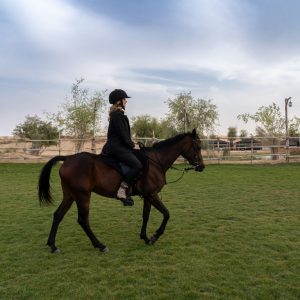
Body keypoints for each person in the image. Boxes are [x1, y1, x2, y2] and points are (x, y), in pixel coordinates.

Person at [101, 89, 143, 206]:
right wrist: (132, 145)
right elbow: (123, 136)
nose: (126, 102)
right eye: (124, 99)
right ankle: (122, 190)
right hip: (117, 148)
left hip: (120, 147)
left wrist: (133, 143)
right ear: (118, 101)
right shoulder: (117, 115)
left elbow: (124, 135)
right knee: (137, 165)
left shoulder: (118, 115)